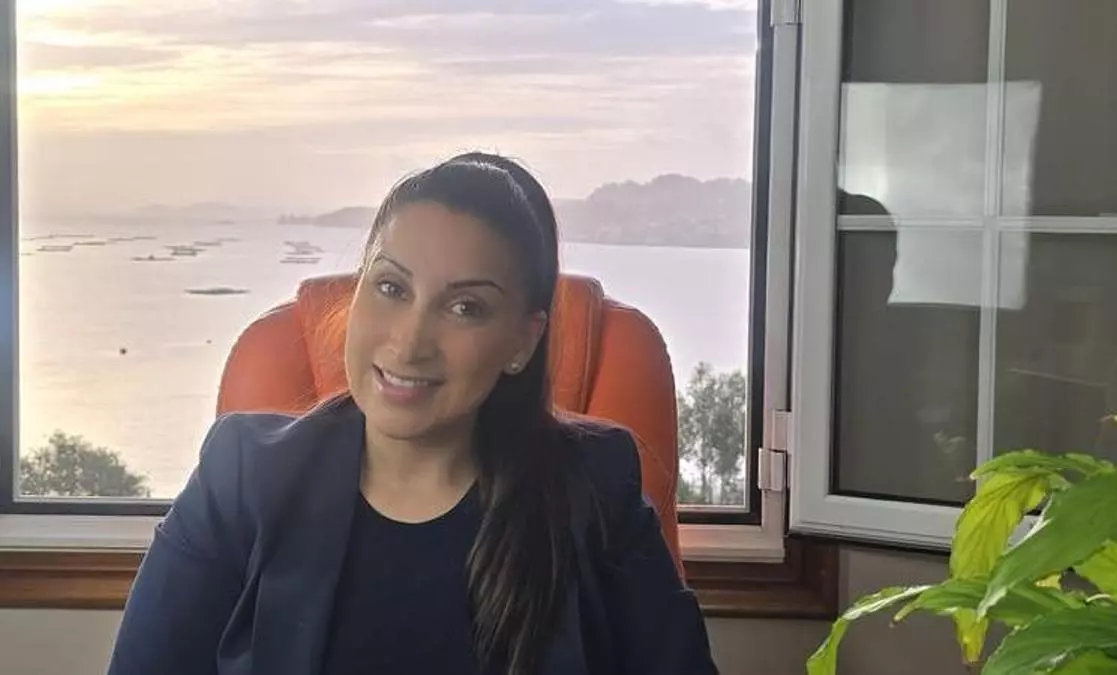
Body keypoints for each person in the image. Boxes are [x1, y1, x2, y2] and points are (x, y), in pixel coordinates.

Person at [106, 153, 719, 675]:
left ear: (522, 342)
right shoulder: (241, 478)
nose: (409, 342)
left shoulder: (596, 488)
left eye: (466, 307)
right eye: (392, 288)